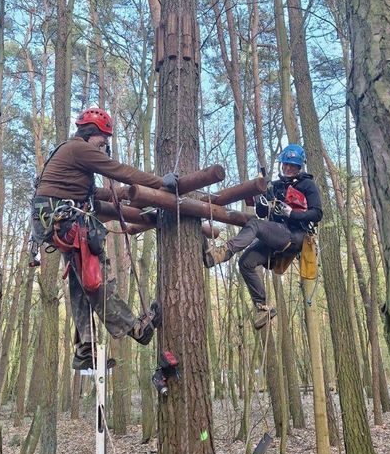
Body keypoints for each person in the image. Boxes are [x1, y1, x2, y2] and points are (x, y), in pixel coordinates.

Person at [31, 107, 179, 371]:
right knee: (95, 276)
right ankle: (135, 328)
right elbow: (120, 170)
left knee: (82, 283)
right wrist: (161, 184)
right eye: (103, 139)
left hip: (56, 221)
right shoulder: (79, 149)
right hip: (66, 221)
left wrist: (122, 194)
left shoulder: (71, 155)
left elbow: (93, 191)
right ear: (91, 133)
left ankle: (85, 348)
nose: (105, 146)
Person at [204, 143, 322, 329]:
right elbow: (261, 212)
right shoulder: (274, 186)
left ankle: (224, 252)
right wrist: (259, 196)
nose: (288, 168)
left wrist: (292, 213)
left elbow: (317, 214)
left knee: (256, 226)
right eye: (285, 165)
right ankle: (262, 307)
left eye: (292, 166)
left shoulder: (307, 185)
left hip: (296, 235)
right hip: (276, 235)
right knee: (246, 263)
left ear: (299, 167)